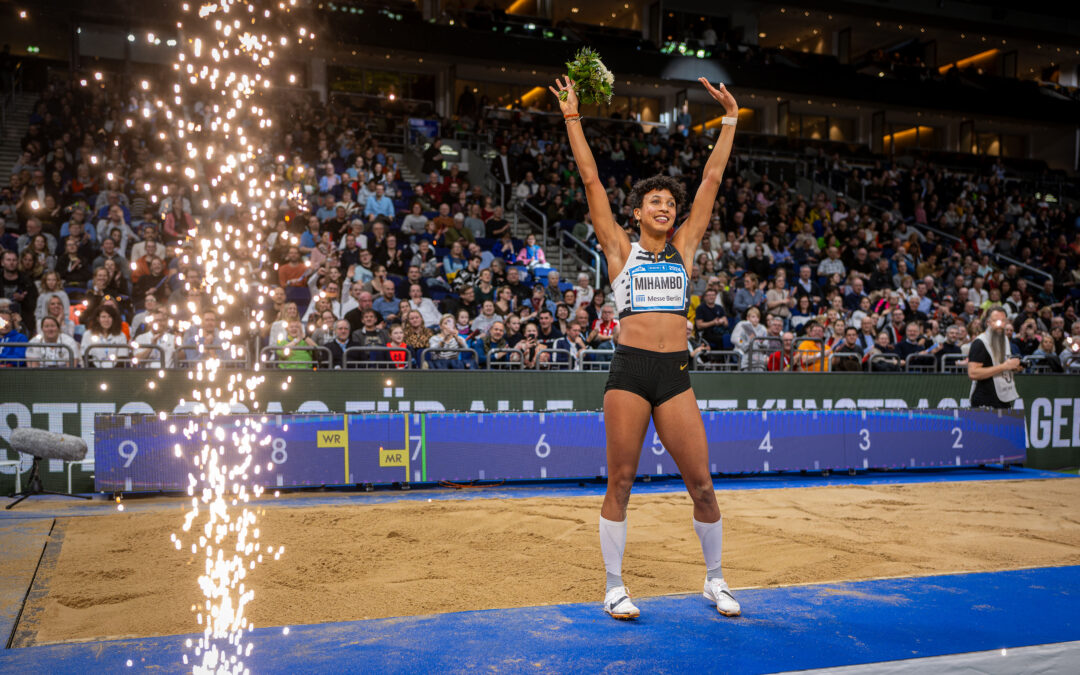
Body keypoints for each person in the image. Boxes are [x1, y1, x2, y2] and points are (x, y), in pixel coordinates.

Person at [552, 74, 741, 619]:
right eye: (654, 201)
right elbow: (590, 178)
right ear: (636, 213)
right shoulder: (619, 249)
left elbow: (711, 178)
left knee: (703, 485)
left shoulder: (684, 249)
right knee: (621, 480)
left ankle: (715, 579)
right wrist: (572, 116)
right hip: (630, 371)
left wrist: (729, 120)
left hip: (675, 373)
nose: (665, 206)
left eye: (669, 202)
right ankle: (614, 585)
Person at [967, 306, 1022, 409]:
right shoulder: (980, 342)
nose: (1000, 324)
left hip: (1003, 396)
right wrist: (1004, 367)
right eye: (996, 321)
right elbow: (973, 373)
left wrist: (1014, 367)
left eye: (1003, 321)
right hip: (984, 400)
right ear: (988, 322)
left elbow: (1001, 365)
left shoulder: (1005, 339)